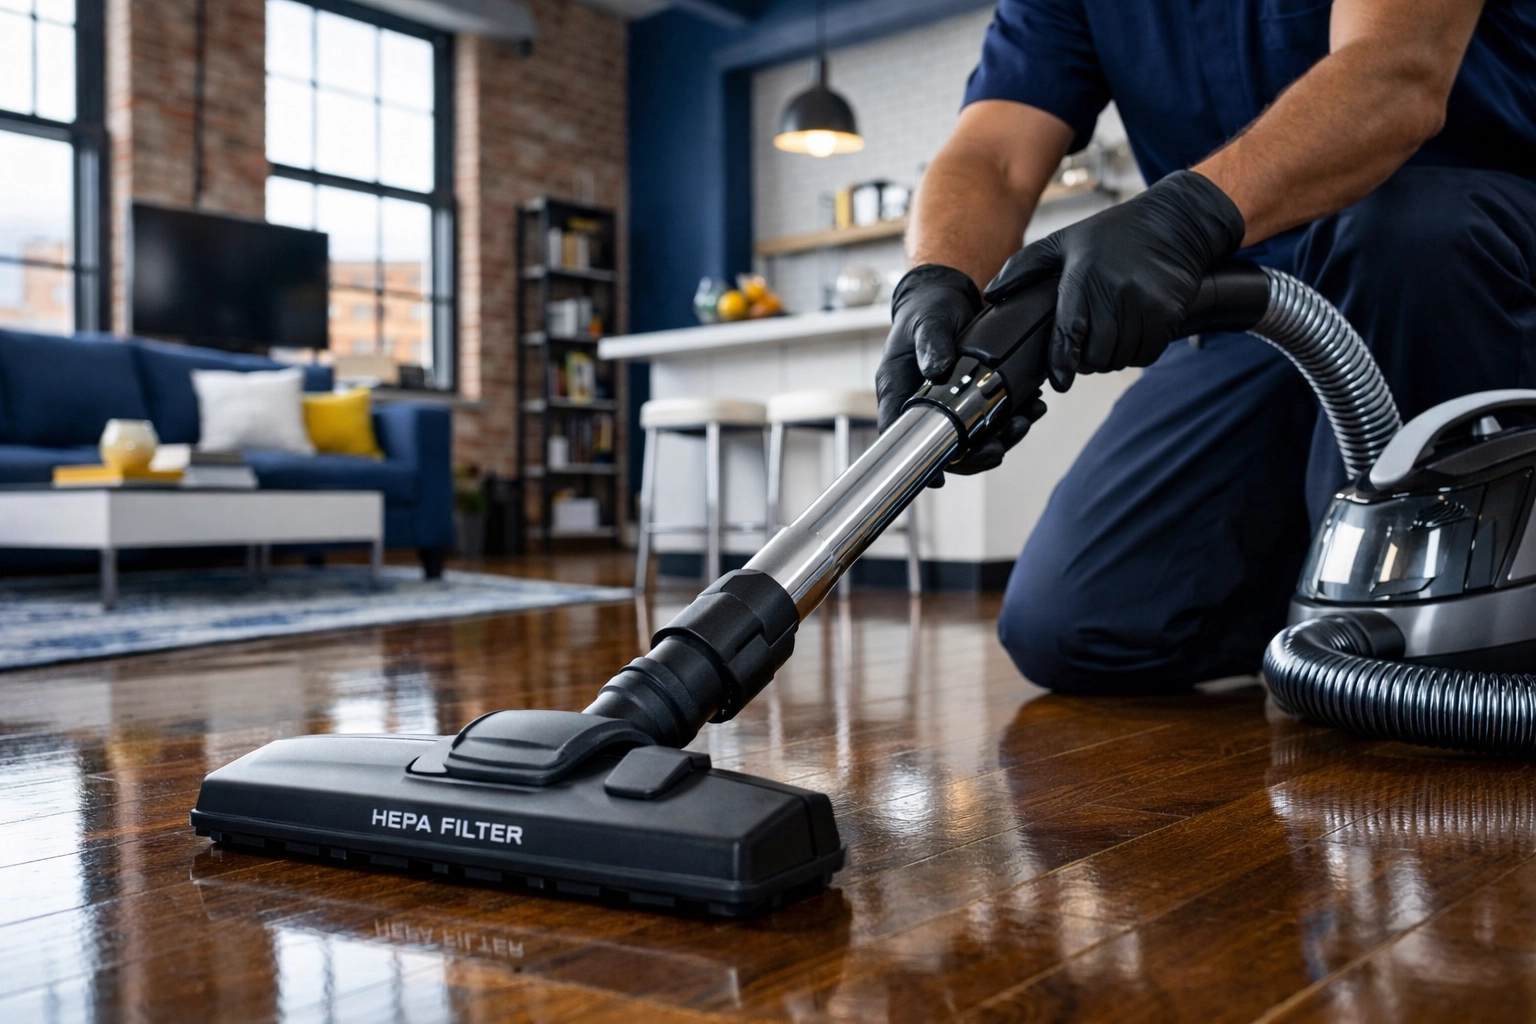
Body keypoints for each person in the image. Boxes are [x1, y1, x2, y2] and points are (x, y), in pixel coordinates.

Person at [876, 0, 1536, 694]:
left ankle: (1422, 636)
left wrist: (1183, 215)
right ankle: (1331, 624)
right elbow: (994, 155)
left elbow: (1394, 76)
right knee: (1072, 624)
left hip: (1456, 272)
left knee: (1403, 234)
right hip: (1255, 311)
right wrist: (937, 279)